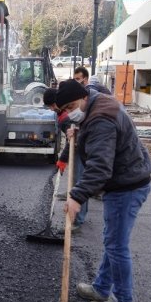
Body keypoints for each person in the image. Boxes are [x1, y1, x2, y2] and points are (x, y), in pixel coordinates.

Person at [54, 78, 151, 302]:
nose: (69, 113)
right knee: (113, 240)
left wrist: (77, 196)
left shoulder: (100, 119)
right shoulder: (97, 103)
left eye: (71, 107)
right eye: (65, 110)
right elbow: (96, 136)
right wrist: (79, 131)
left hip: (126, 185)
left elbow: (99, 167)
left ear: (83, 97)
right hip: (127, 179)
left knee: (116, 246)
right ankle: (101, 288)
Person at [43, 86, 88, 232]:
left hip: (81, 149)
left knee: (80, 181)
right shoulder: (62, 113)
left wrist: (63, 159)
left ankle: (78, 220)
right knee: (75, 179)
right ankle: (71, 193)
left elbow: (73, 141)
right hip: (78, 147)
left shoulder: (66, 117)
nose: (51, 109)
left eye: (51, 106)